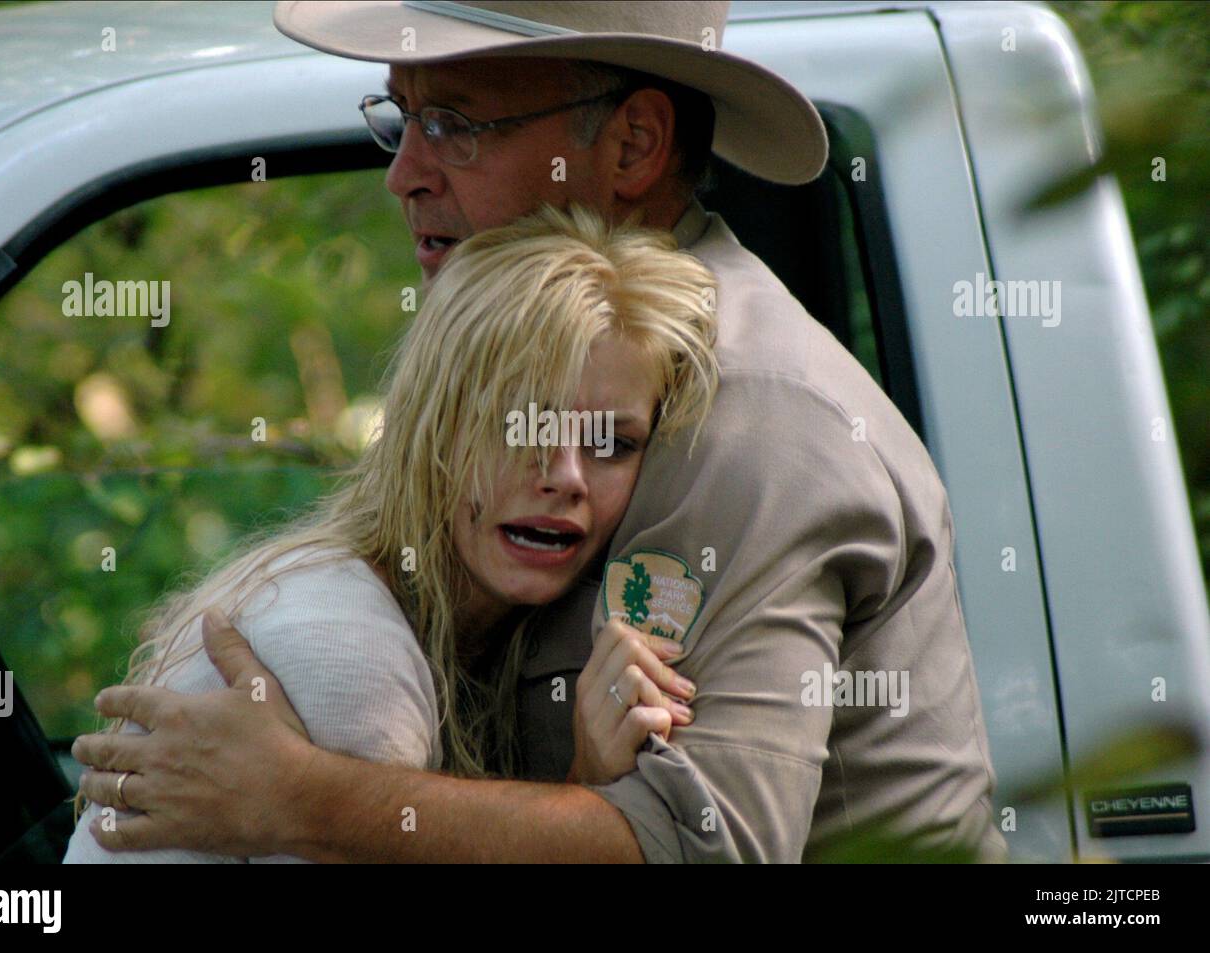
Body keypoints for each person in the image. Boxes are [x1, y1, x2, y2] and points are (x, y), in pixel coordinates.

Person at [73, 0, 1008, 863]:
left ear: (635, 142)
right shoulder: (564, 355)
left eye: (456, 124)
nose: (405, 173)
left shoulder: (750, 408)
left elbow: (707, 844)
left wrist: (302, 796)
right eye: (403, 116)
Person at [63, 203, 719, 862]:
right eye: (521, 426)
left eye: (613, 443)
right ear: (433, 424)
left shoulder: (442, 621)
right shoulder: (349, 656)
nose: (566, 475)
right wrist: (591, 795)